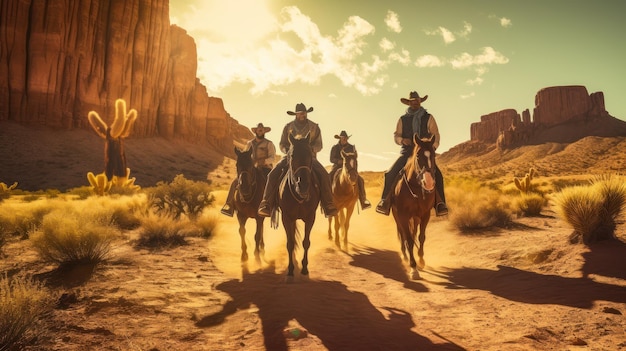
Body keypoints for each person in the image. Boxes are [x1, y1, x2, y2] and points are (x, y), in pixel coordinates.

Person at [258, 103, 338, 218]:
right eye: (300, 113)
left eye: (304, 113)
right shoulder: (288, 127)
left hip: (309, 157)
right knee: (272, 174)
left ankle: (328, 204)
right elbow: (282, 144)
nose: (303, 115)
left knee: (324, 174)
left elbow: (319, 145)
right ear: (296, 115)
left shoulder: (314, 127)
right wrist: (288, 150)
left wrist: (309, 150)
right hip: (291, 157)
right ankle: (266, 203)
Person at [375, 91, 448, 216]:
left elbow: (436, 134)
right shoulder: (402, 119)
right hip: (407, 152)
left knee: (438, 175)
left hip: (424, 152)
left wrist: (432, 148)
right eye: (413, 101)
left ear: (420, 102)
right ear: (408, 103)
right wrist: (402, 140)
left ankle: (440, 204)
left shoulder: (428, 117)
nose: (415, 103)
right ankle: (385, 202)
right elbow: (396, 135)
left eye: (417, 101)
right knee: (390, 174)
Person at [220, 123, 276, 217]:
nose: (260, 131)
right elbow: (245, 154)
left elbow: (272, 157)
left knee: (270, 182)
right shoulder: (250, 143)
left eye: (262, 130)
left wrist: (264, 161)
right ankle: (229, 205)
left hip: (265, 168)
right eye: (259, 130)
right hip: (252, 167)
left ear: (264, 132)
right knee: (236, 182)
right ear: (256, 131)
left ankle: (270, 205)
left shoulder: (269, 143)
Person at [329, 130, 371, 210]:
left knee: (360, 180)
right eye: (343, 138)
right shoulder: (335, 147)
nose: (344, 139)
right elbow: (331, 159)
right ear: (340, 138)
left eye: (346, 138)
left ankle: (363, 200)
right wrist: (339, 161)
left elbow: (354, 157)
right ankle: (327, 201)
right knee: (328, 177)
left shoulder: (351, 147)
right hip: (337, 167)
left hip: (350, 168)